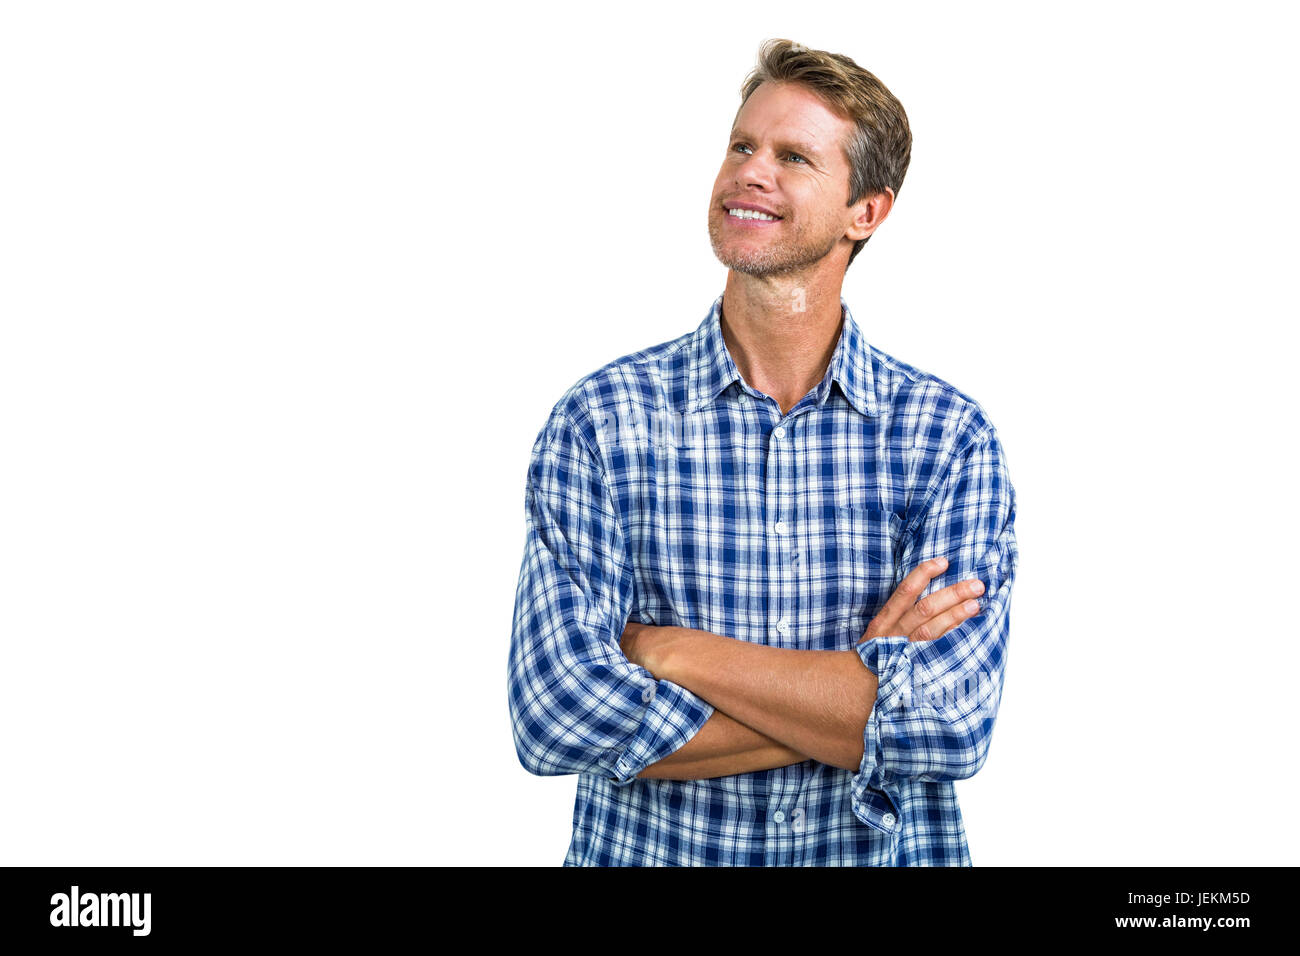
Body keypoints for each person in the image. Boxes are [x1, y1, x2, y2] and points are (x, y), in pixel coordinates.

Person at [507, 38, 1019, 866]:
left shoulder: (946, 439)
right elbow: (555, 714)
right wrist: (855, 695)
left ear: (868, 211)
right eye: (742, 145)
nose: (751, 171)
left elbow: (952, 723)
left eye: (793, 157)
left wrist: (672, 651)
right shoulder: (602, 423)